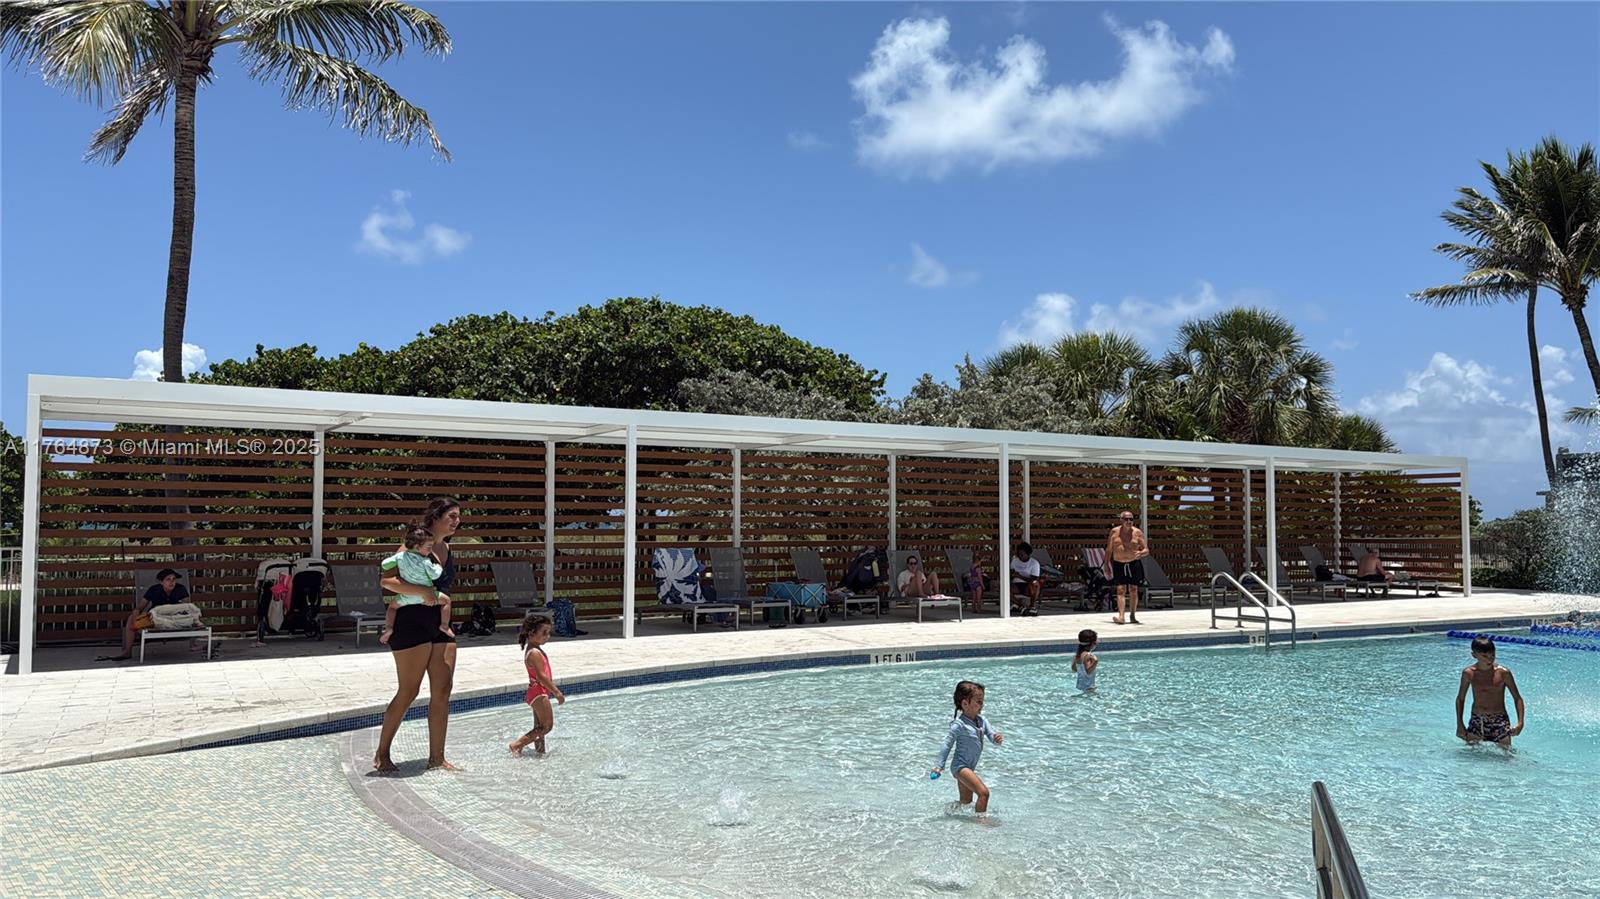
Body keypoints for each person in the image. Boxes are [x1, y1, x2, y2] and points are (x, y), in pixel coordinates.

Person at [374, 496, 464, 774]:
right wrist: (423, 592)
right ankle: (382, 754)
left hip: (439, 623)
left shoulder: (446, 547)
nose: (457, 521)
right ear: (435, 517)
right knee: (409, 690)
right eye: (452, 516)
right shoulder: (413, 544)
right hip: (411, 622)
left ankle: (437, 758)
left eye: (458, 516)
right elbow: (387, 580)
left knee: (443, 689)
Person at [931, 680, 1003, 822]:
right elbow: (947, 744)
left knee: (966, 802)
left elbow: (992, 737)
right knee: (983, 793)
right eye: (978, 701)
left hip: (969, 767)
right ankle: (981, 822)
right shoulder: (959, 725)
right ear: (965, 704)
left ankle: (948, 811)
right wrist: (939, 766)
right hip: (960, 766)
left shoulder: (982, 721)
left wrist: (996, 739)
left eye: (982, 701)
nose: (982, 705)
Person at [379, 525, 453, 645]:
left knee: (392, 607)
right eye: (429, 547)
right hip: (427, 596)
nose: (430, 550)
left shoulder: (400, 556)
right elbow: (435, 575)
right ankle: (444, 625)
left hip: (406, 596)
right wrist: (438, 567)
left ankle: (388, 628)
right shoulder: (425, 561)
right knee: (447, 601)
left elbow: (385, 564)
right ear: (418, 547)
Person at [101, 568, 192, 661]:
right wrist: (136, 622)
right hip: (155, 619)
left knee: (191, 616)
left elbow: (188, 607)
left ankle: (194, 643)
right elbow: (138, 608)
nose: (172, 582)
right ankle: (128, 651)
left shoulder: (180, 589)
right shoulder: (154, 590)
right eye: (168, 579)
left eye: (174, 579)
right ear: (161, 582)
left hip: (173, 619)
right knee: (131, 618)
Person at [1455, 636, 1526, 750]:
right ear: (1474, 655)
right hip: (1477, 720)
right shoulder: (1468, 673)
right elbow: (1460, 699)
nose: (1490, 660)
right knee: (1470, 756)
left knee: (1507, 756)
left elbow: (1517, 698)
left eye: (1492, 655)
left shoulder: (1503, 673)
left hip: (1499, 720)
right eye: (1485, 656)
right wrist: (1460, 724)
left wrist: (1520, 723)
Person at [510, 613, 565, 756]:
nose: (547, 636)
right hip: (539, 692)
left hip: (536, 692)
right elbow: (541, 676)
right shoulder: (534, 652)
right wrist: (557, 692)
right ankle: (517, 745)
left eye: (549, 632)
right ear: (531, 633)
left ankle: (540, 752)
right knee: (547, 726)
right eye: (544, 632)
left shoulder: (534, 649)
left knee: (539, 727)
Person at [1105, 511, 1149, 625]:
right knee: (1120, 589)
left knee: (1134, 589)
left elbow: (1146, 550)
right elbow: (1109, 549)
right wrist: (1106, 565)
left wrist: (1141, 553)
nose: (1129, 521)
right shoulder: (1114, 532)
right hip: (1119, 563)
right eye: (1126, 519)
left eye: (1131, 519)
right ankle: (1121, 616)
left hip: (1133, 563)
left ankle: (1133, 615)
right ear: (1121, 520)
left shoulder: (1137, 532)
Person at [1010, 542, 1043, 616]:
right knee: (1003, 588)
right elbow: (1011, 573)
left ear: (1028, 554)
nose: (1020, 556)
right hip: (1016, 584)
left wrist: (1020, 576)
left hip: (1028, 586)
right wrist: (1012, 575)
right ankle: (1020, 605)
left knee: (1035, 584)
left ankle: (1032, 606)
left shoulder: (1034, 563)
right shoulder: (1015, 561)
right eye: (1018, 554)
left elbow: (1034, 579)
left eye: (1022, 555)